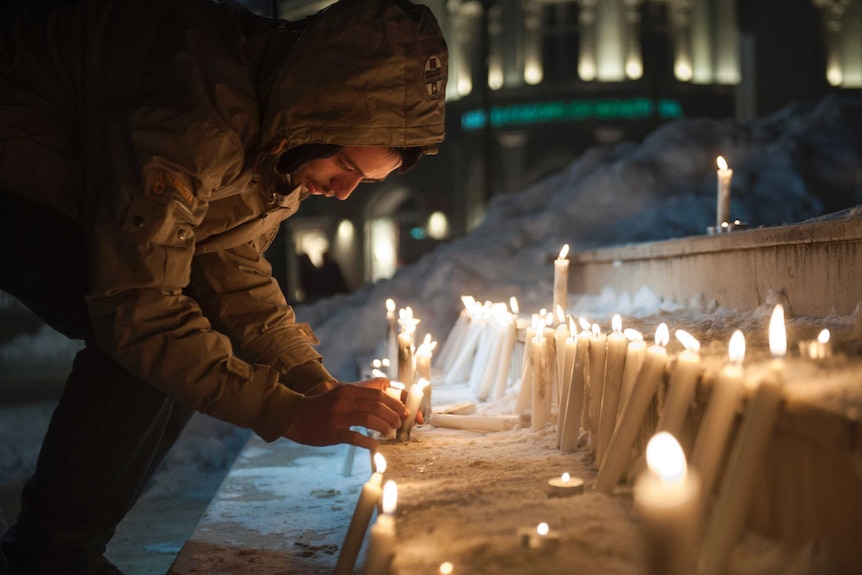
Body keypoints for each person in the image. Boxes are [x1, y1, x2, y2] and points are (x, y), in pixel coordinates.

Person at [0, 0, 447, 572]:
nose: (343, 192)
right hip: (17, 157)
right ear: (318, 110)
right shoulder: (196, 116)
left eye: (364, 179)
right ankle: (55, 558)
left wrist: (309, 381)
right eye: (344, 165)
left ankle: (62, 550)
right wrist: (287, 414)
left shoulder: (280, 131)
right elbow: (140, 307)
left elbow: (225, 260)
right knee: (149, 346)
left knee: (180, 342)